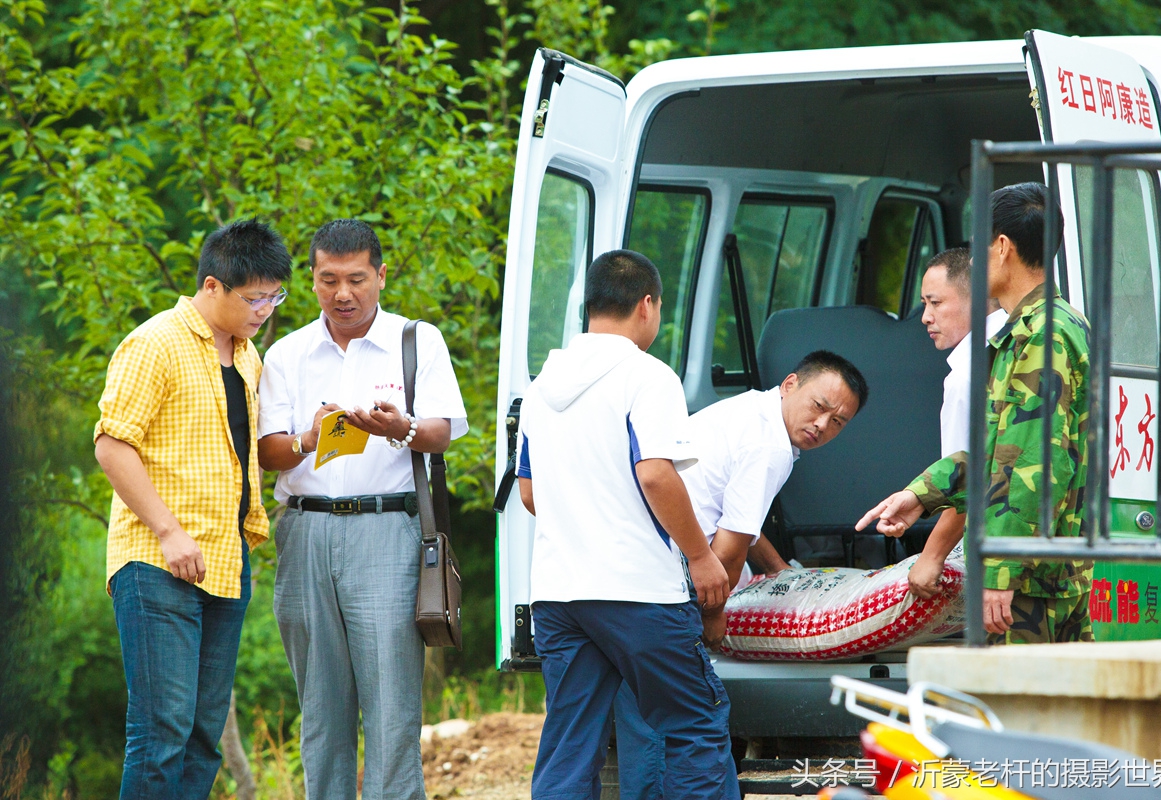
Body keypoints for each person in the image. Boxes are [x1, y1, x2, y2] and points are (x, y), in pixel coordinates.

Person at [257, 219, 467, 800]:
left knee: (391, 702)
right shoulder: (286, 352)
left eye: (355, 279)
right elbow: (268, 451)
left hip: (387, 529)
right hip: (305, 531)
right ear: (313, 280)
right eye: (328, 280)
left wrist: (401, 428)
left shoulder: (417, 340)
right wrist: (309, 437)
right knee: (320, 706)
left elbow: (443, 432)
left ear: (380, 275)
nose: (342, 294)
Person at [516, 249, 736, 799]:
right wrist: (701, 557)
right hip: (639, 594)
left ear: (590, 307)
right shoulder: (647, 375)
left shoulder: (542, 386)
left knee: (570, 742)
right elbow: (657, 475)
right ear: (647, 305)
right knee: (694, 724)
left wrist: (586, 517)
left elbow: (529, 492)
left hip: (559, 594)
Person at [94, 219, 292, 799]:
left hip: (225, 564)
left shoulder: (250, 358)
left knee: (204, 735)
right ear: (212, 286)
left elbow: (240, 455)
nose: (265, 309)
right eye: (254, 297)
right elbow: (112, 443)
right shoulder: (153, 343)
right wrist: (168, 531)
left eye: (274, 296)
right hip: (159, 562)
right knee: (162, 732)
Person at [615, 349, 869, 800]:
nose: (823, 425)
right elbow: (729, 550)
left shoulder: (753, 413)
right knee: (688, 718)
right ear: (791, 384)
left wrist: (779, 570)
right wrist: (714, 618)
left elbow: (741, 521)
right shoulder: (768, 444)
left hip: (641, 568)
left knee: (644, 713)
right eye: (819, 407)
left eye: (840, 422)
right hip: (669, 576)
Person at [857, 182, 1092, 644]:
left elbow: (1033, 464)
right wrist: (923, 494)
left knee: (1017, 712)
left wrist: (1000, 573)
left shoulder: (1042, 336)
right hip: (1039, 573)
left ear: (1002, 247)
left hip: (1032, 583)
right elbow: (997, 453)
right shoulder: (1032, 329)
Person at [907, 248, 1007, 600]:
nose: (925, 317)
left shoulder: (966, 376)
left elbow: (963, 482)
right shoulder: (1020, 345)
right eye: (924, 304)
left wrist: (931, 558)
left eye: (935, 303)